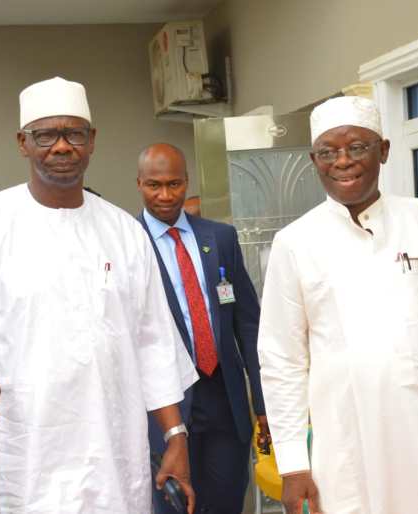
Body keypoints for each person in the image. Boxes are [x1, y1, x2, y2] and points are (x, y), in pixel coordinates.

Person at [0, 77, 197, 514]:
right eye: (45, 135)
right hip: (26, 454)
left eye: (74, 134)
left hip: (113, 454)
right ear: (23, 143)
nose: (61, 146)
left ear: (91, 142)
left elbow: (153, 340)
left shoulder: (125, 232)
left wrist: (175, 436)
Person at [257, 96, 418, 514]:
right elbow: (281, 359)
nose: (343, 161)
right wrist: (293, 464)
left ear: (383, 151)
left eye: (357, 147)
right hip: (346, 438)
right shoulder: (295, 242)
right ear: (314, 161)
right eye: (328, 152)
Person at [136, 143, 268, 514]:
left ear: (186, 181)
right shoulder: (128, 242)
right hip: (165, 403)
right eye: (154, 185)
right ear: (139, 183)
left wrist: (263, 402)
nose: (165, 195)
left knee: (226, 501)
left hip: (224, 396)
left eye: (174, 184)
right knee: (175, 507)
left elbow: (248, 324)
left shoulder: (220, 238)